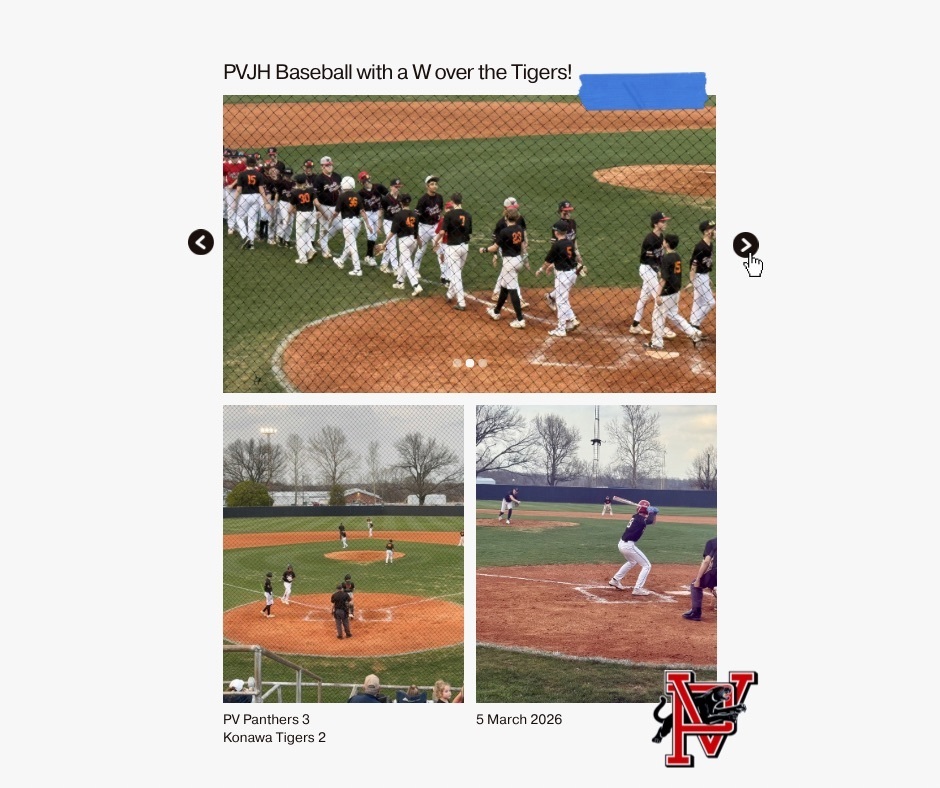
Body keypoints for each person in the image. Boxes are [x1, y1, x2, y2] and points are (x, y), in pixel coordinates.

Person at [644, 234, 703, 351]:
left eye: (664, 241)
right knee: (673, 315)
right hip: (675, 291)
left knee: (657, 317)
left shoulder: (666, 258)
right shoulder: (677, 256)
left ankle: (657, 343)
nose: (663, 242)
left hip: (666, 293)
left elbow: (663, 279)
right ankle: (694, 332)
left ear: (666, 243)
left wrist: (658, 294)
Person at [630, 211, 676, 339]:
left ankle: (635, 325)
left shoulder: (661, 237)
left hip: (653, 270)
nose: (665, 223)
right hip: (646, 269)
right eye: (662, 221)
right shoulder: (649, 239)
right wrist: (659, 271)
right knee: (660, 297)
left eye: (665, 221)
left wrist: (661, 269)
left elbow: (659, 257)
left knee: (643, 298)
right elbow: (649, 259)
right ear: (656, 224)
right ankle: (661, 328)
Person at [480, 209, 528, 329]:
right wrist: (526, 260)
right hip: (518, 260)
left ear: (506, 217)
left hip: (509, 263)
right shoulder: (519, 229)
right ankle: (496, 311)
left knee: (513, 290)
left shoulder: (504, 231)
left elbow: (495, 247)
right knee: (504, 287)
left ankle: (520, 319)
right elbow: (523, 246)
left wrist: (484, 250)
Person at [535, 220, 580, 337]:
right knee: (563, 298)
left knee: (560, 302)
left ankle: (561, 328)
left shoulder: (557, 245)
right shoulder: (569, 243)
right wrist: (552, 266)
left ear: (556, 232)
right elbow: (567, 258)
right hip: (572, 274)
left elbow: (547, 261)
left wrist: (541, 269)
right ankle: (571, 320)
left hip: (563, 276)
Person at [608, 499, 660, 595]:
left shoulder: (637, 517)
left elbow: (652, 522)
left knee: (632, 562)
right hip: (628, 546)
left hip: (622, 544)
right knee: (647, 565)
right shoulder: (640, 519)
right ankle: (637, 589)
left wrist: (654, 513)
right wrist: (652, 512)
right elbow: (649, 520)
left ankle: (615, 580)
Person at [490, 197, 530, 308]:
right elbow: (495, 239)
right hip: (505, 249)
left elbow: (523, 230)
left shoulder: (519, 218)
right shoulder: (501, 223)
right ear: (505, 209)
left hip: (516, 247)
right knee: (512, 272)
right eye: (511, 208)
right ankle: (519, 299)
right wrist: (495, 255)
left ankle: (496, 292)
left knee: (506, 270)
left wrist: (525, 241)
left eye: (515, 207)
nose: (514, 210)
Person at [545, 201, 582, 315]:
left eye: (569, 210)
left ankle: (551, 296)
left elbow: (574, 240)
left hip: (571, 255)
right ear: (561, 211)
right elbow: (554, 246)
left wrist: (578, 254)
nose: (568, 213)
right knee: (564, 285)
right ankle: (567, 316)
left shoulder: (573, 223)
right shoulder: (557, 226)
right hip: (560, 259)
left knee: (570, 282)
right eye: (566, 211)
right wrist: (553, 263)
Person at [437, 193, 473, 311]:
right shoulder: (468, 215)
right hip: (465, 246)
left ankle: (461, 303)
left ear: (452, 202)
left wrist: (436, 241)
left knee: (456, 274)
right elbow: (469, 232)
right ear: (461, 201)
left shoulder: (449, 215)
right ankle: (449, 294)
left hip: (453, 248)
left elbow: (442, 232)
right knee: (457, 273)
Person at [382, 193, 423, 296]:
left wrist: (385, 242)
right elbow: (416, 231)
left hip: (404, 241)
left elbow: (392, 232)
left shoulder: (398, 215)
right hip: (413, 240)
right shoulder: (414, 214)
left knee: (407, 263)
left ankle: (416, 285)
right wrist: (419, 242)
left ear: (400, 203)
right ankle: (400, 282)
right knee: (403, 260)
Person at [232, 155, 272, 250]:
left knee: (239, 217)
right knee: (252, 220)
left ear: (246, 164)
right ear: (255, 164)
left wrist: (234, 201)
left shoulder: (242, 174)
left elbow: (239, 189)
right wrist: (266, 202)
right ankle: (251, 244)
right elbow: (261, 189)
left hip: (245, 196)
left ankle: (245, 236)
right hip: (256, 197)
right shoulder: (259, 174)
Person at [413, 175, 445, 278]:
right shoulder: (423, 200)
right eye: (432, 184)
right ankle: (415, 270)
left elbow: (440, 211)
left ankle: (444, 275)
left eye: (436, 184)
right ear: (427, 186)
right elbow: (416, 216)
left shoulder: (439, 197)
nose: (435, 186)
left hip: (436, 227)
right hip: (424, 227)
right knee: (421, 250)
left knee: (440, 250)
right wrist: (416, 230)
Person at [688, 219, 716, 334]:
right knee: (710, 302)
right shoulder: (700, 247)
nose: (715, 231)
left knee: (698, 301)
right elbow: (693, 264)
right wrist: (692, 280)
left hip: (704, 275)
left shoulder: (710, 244)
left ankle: (693, 324)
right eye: (713, 229)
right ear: (706, 232)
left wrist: (708, 277)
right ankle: (694, 324)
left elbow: (705, 263)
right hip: (698, 276)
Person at [312, 155, 342, 258]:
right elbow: (315, 196)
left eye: (330, 165)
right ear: (322, 167)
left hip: (336, 206)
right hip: (323, 206)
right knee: (324, 228)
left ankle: (322, 240)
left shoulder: (337, 176)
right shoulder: (318, 179)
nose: (330, 167)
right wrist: (318, 210)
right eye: (327, 165)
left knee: (339, 225)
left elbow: (340, 191)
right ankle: (325, 251)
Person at [334, 175, 364, 275]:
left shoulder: (342, 196)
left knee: (352, 246)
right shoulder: (357, 195)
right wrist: (367, 224)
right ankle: (341, 260)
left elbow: (336, 212)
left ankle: (357, 269)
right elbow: (362, 211)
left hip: (348, 223)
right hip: (357, 222)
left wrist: (330, 220)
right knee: (349, 243)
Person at [683, 537, 717, 621]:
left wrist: (698, 579)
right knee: (713, 585)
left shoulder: (713, 542)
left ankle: (696, 613)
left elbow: (706, 561)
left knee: (695, 585)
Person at [288, 173, 317, 264]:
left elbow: (290, 208)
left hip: (301, 214)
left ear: (297, 182)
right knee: (306, 233)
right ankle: (310, 249)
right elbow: (316, 202)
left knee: (299, 236)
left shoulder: (294, 192)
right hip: (310, 214)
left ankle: (302, 258)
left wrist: (292, 212)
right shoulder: (311, 189)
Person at [357, 172, 383, 267]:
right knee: (371, 234)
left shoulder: (378, 187)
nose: (366, 182)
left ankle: (368, 255)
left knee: (374, 235)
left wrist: (379, 223)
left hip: (377, 212)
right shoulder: (360, 193)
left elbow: (388, 197)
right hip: (367, 214)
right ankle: (370, 256)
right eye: (364, 181)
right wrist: (367, 224)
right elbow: (361, 209)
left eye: (366, 180)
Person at [378, 178, 403, 274]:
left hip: (398, 223)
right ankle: (395, 267)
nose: (397, 188)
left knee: (389, 243)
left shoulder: (400, 198)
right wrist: (379, 225)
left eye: (399, 187)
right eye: (396, 187)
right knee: (392, 244)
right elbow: (380, 212)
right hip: (388, 222)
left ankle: (383, 264)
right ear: (391, 187)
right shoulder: (385, 199)